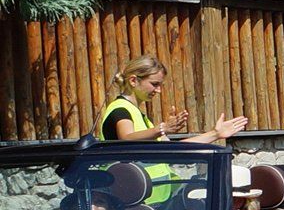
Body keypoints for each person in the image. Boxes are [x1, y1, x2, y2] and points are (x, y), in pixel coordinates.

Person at [98, 55, 246, 145]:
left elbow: (176, 148)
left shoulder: (140, 117)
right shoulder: (120, 110)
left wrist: (215, 134)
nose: (158, 90)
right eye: (154, 84)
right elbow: (126, 139)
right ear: (133, 81)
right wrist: (162, 129)